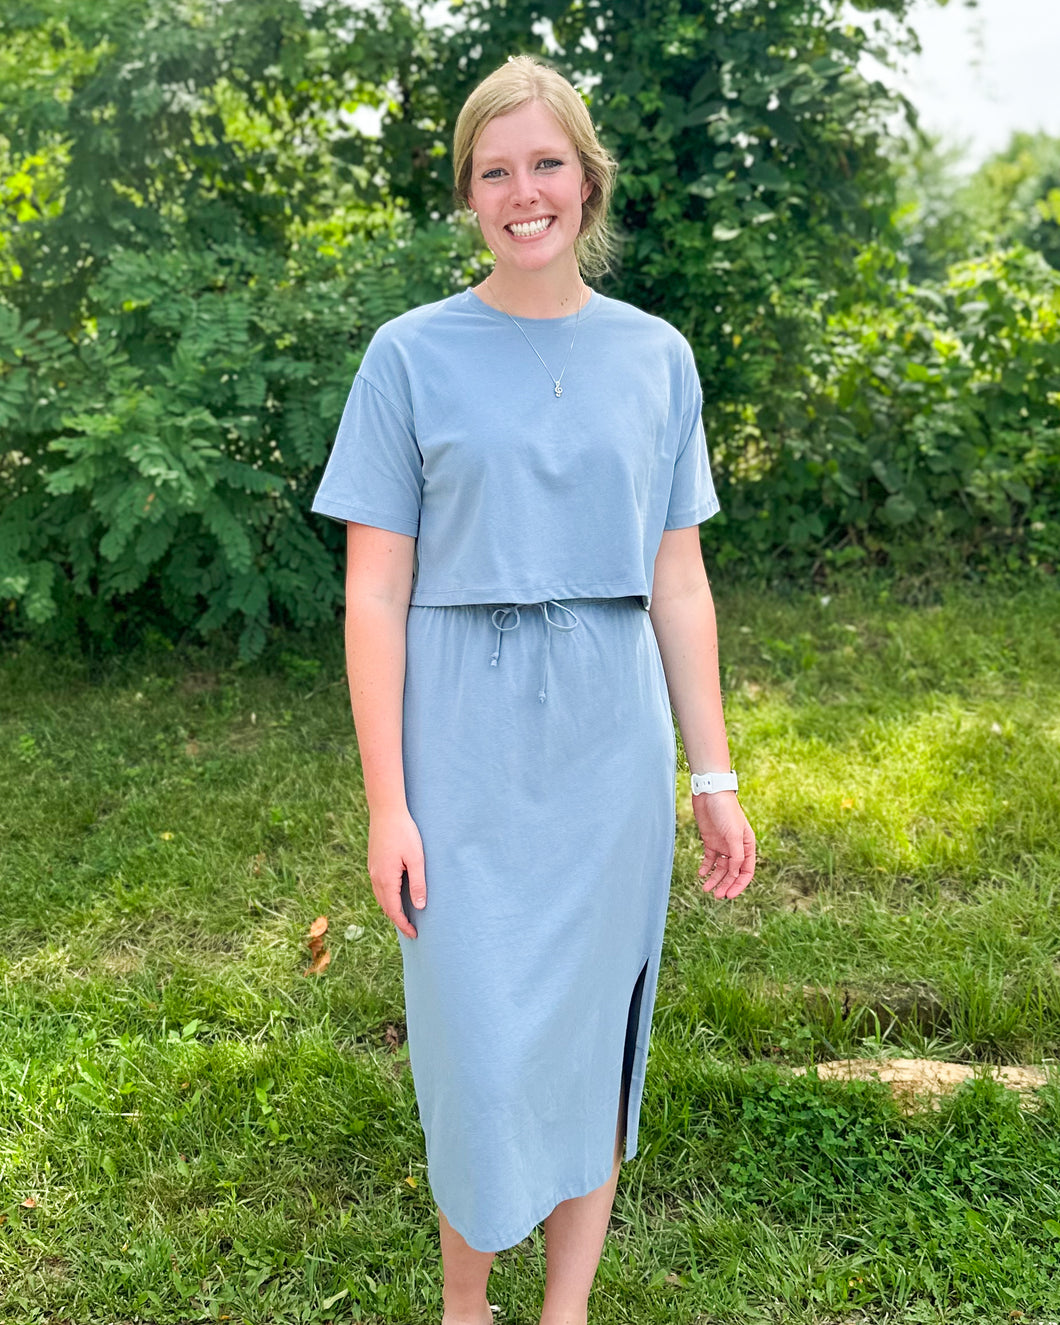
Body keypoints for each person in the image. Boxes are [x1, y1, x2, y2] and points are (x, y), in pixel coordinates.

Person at [312, 53, 756, 1325]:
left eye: (545, 163)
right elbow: (373, 597)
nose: (524, 192)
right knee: (477, 1046)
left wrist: (711, 775)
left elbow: (680, 584)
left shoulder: (656, 357)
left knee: (582, 1043)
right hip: (460, 739)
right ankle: (468, 1305)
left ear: (587, 178)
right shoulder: (408, 358)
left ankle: (562, 1310)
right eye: (495, 171)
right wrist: (387, 804)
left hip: (608, 744)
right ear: (468, 194)